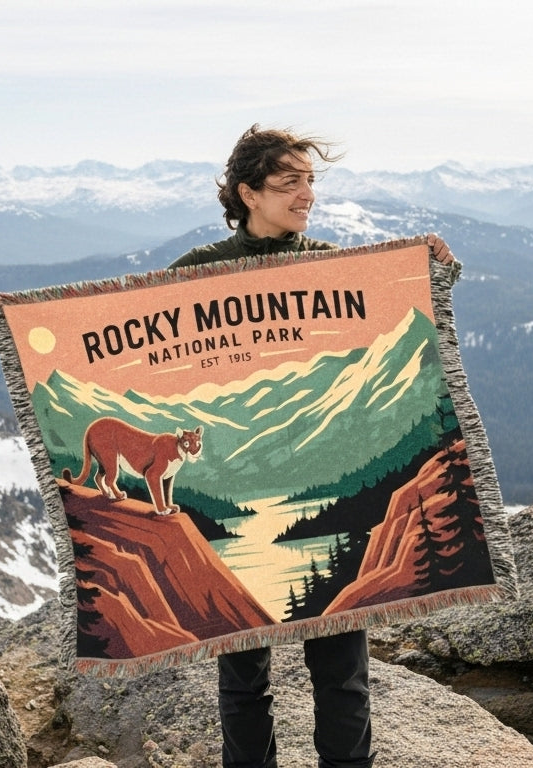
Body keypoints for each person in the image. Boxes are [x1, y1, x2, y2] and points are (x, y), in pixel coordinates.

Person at [170, 124, 454, 768]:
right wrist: (29, 324)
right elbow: (130, 345)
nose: (307, 196)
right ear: (248, 193)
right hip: (236, 493)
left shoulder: (331, 264)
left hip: (331, 491)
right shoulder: (195, 274)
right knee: (243, 682)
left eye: (310, 182)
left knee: (343, 673)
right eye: (288, 183)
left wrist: (433, 268)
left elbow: (399, 310)